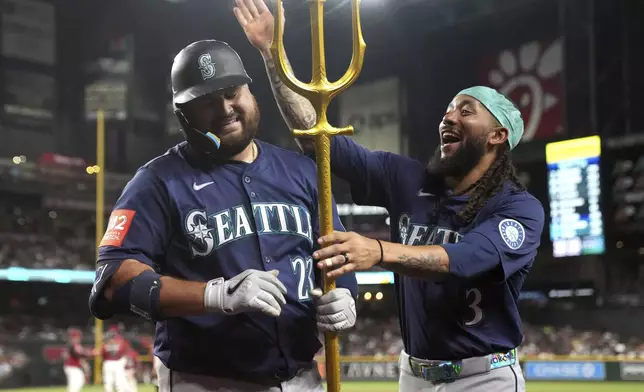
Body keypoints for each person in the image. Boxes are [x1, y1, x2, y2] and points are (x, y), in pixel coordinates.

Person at [235, 2, 545, 391]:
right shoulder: (408, 178)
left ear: (497, 136)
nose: (449, 117)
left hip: (484, 377)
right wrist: (270, 55)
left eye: (466, 111)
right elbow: (321, 142)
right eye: (448, 110)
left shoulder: (519, 208)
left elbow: (467, 260)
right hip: (413, 374)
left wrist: (379, 252)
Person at [88, 38, 358, 392]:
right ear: (183, 114)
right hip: (206, 381)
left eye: (232, 92)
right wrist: (217, 295)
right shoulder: (156, 181)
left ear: (251, 91)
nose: (225, 108)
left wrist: (346, 295)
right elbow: (113, 283)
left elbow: (336, 255)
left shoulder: (300, 171)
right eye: (207, 101)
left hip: (302, 377)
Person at [63, 328, 95, 392]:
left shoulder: (74, 344)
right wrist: (91, 353)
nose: (78, 338)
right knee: (77, 382)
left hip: (72, 367)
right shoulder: (73, 344)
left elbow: (81, 354)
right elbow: (80, 353)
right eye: (77, 336)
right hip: (72, 367)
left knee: (75, 383)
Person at [101, 326, 129, 392]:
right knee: (119, 383)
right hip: (117, 363)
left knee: (108, 382)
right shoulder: (120, 343)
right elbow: (123, 352)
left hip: (108, 363)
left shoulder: (105, 345)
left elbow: (102, 354)